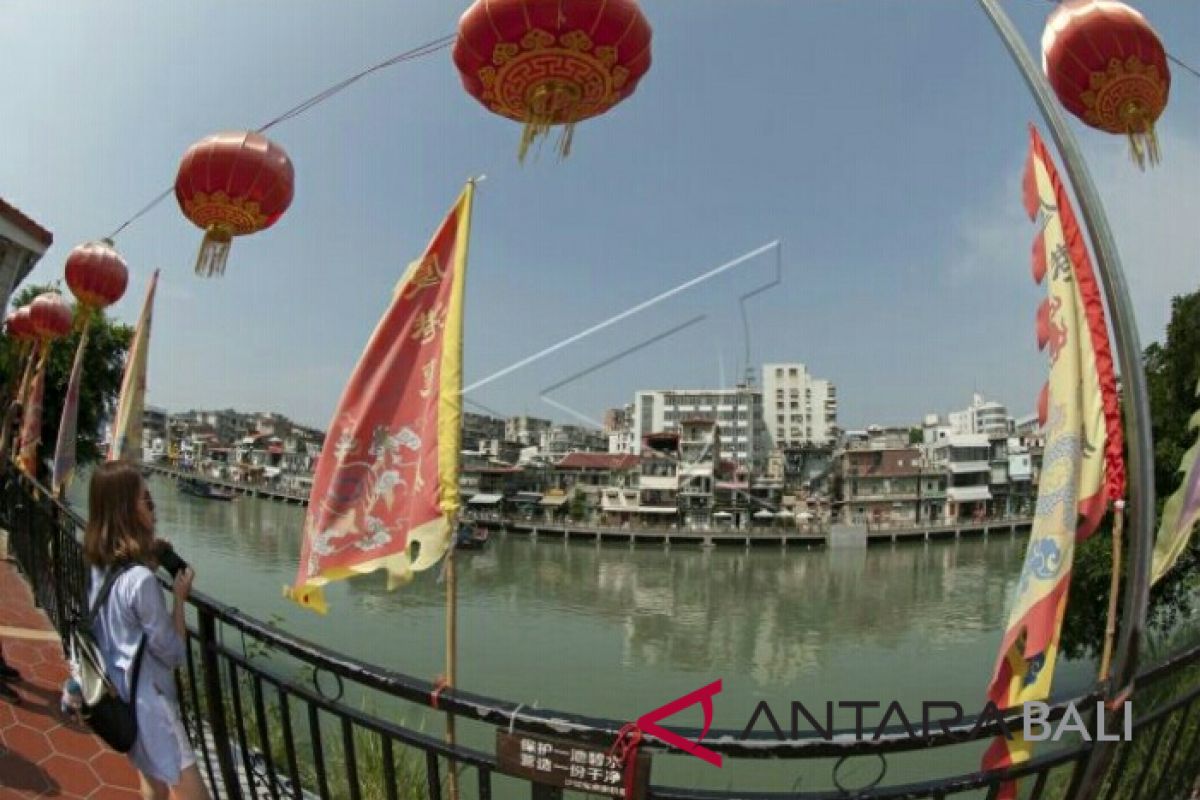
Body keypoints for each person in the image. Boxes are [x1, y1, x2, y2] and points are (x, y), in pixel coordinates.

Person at [83, 461, 209, 800]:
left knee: (152, 784)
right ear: (126, 510)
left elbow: (122, 621)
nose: (153, 507)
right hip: (152, 708)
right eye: (146, 500)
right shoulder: (141, 582)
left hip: (121, 696)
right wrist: (179, 601)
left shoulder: (99, 566)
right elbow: (173, 652)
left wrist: (147, 559)